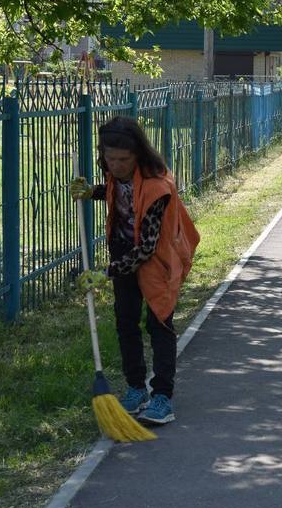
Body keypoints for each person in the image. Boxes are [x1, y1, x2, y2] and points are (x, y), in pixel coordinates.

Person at [70, 116, 200, 425]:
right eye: (109, 158)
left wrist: (107, 272)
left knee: (159, 323)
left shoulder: (159, 186)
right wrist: (91, 192)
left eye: (123, 160)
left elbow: (148, 247)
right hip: (122, 251)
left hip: (157, 259)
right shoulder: (115, 171)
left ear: (138, 155)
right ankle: (136, 388)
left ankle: (162, 397)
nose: (115, 165)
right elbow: (120, 193)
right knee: (125, 321)